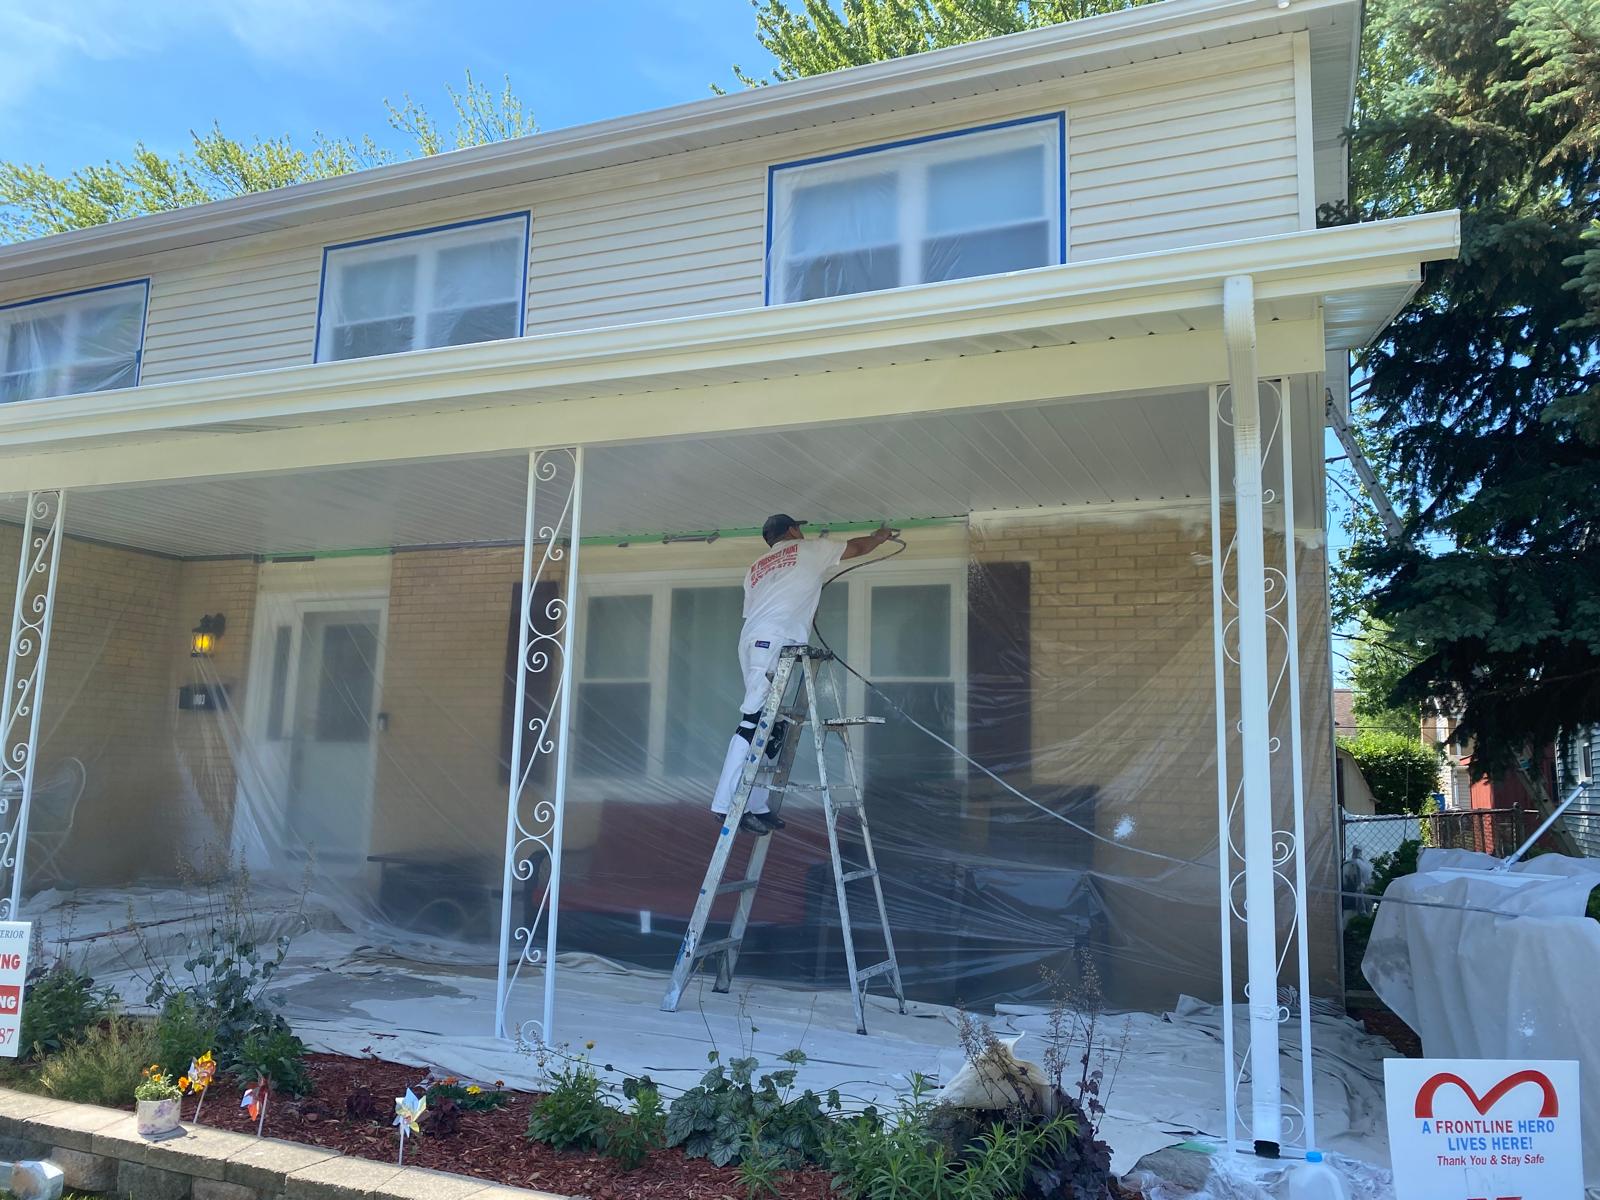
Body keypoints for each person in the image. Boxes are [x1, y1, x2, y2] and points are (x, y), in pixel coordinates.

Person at [710, 514, 897, 834]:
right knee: (754, 720)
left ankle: (756, 805)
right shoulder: (809, 549)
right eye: (800, 528)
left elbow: (761, 607)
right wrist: (879, 537)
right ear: (793, 530)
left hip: (755, 640)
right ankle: (726, 805)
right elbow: (856, 548)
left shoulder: (756, 567)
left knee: (772, 723)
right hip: (774, 641)